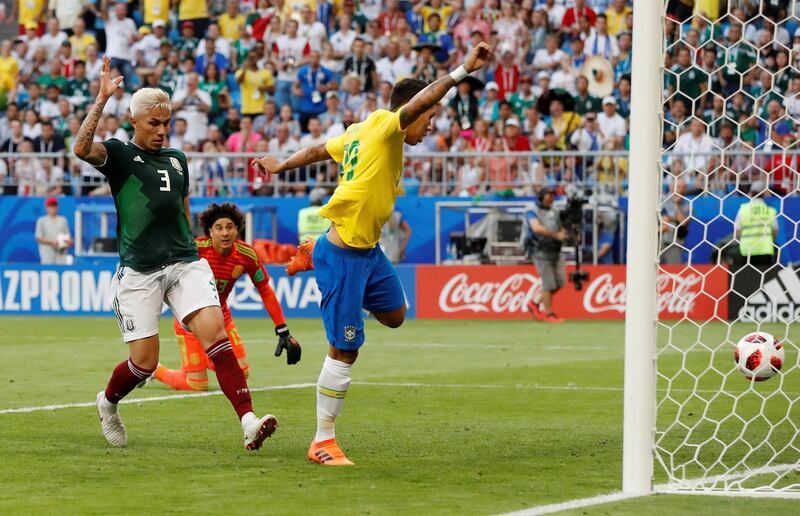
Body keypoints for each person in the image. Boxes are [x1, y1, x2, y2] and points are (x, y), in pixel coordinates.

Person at [255, 42, 493, 465]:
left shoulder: (359, 131)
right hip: (345, 256)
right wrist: (462, 72)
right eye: (430, 118)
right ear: (412, 111)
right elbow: (422, 100)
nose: (430, 126)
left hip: (368, 252)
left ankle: (317, 254)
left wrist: (281, 164)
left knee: (396, 315)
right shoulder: (385, 125)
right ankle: (322, 441)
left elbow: (316, 150)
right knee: (345, 349)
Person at [73, 56, 277, 451]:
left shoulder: (177, 160)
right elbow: (81, 148)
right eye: (154, 123)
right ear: (134, 122)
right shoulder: (118, 155)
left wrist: (198, 251)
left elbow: (184, 213)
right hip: (140, 271)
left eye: (166, 123)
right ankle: (108, 402)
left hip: (184, 263)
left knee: (217, 337)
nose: (163, 130)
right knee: (144, 364)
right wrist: (101, 99)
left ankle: (249, 421)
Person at [154, 203, 301, 391]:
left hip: (220, 318)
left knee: (241, 373)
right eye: (219, 228)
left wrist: (283, 330)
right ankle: (155, 371)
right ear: (210, 231)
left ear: (237, 229)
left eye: (229, 227)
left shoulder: (246, 254)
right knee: (197, 385)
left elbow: (265, 289)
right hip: (190, 320)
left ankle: (208, 354)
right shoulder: (195, 249)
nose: (225, 233)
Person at [525, 188, 567, 323]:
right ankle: (548, 314)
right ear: (541, 197)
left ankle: (534, 302)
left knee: (560, 282)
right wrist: (557, 235)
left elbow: (561, 227)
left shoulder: (554, 210)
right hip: (539, 250)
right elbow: (536, 228)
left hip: (555, 249)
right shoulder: (531, 209)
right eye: (548, 197)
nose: (551, 200)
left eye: (553, 197)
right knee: (548, 284)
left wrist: (566, 233)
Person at [734, 180, 778, 266]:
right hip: (765, 249)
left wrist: (742, 240)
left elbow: (737, 230)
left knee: (747, 277)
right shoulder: (769, 211)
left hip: (746, 249)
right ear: (764, 194)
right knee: (764, 278)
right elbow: (775, 230)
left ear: (751, 193)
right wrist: (770, 241)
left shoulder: (743, 209)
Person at [35, 196, 72, 265]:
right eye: (51, 206)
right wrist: (51, 242)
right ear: (46, 208)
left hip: (61, 251)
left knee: (61, 269)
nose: (53, 208)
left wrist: (66, 242)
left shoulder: (63, 220)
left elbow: (67, 236)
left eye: (54, 206)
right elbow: (38, 237)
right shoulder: (42, 220)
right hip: (47, 251)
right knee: (47, 270)